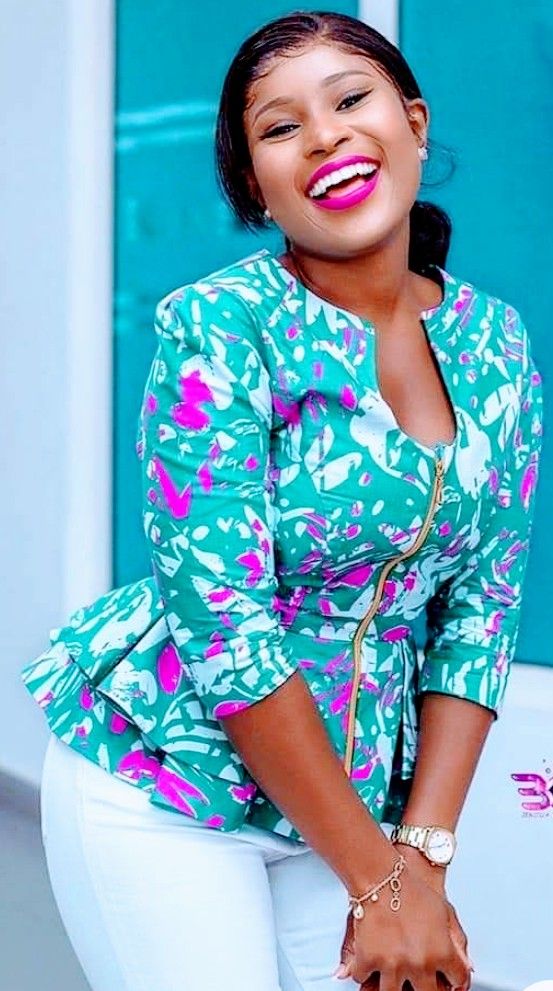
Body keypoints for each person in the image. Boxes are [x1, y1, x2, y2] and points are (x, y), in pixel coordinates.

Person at [24, 10, 543, 991]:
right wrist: (381, 884)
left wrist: (421, 856)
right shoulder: (219, 327)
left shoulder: (497, 343)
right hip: (167, 784)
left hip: (356, 797)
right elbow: (225, 627)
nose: (325, 136)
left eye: (350, 100)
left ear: (413, 123)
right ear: (254, 186)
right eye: (279, 127)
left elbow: (481, 609)